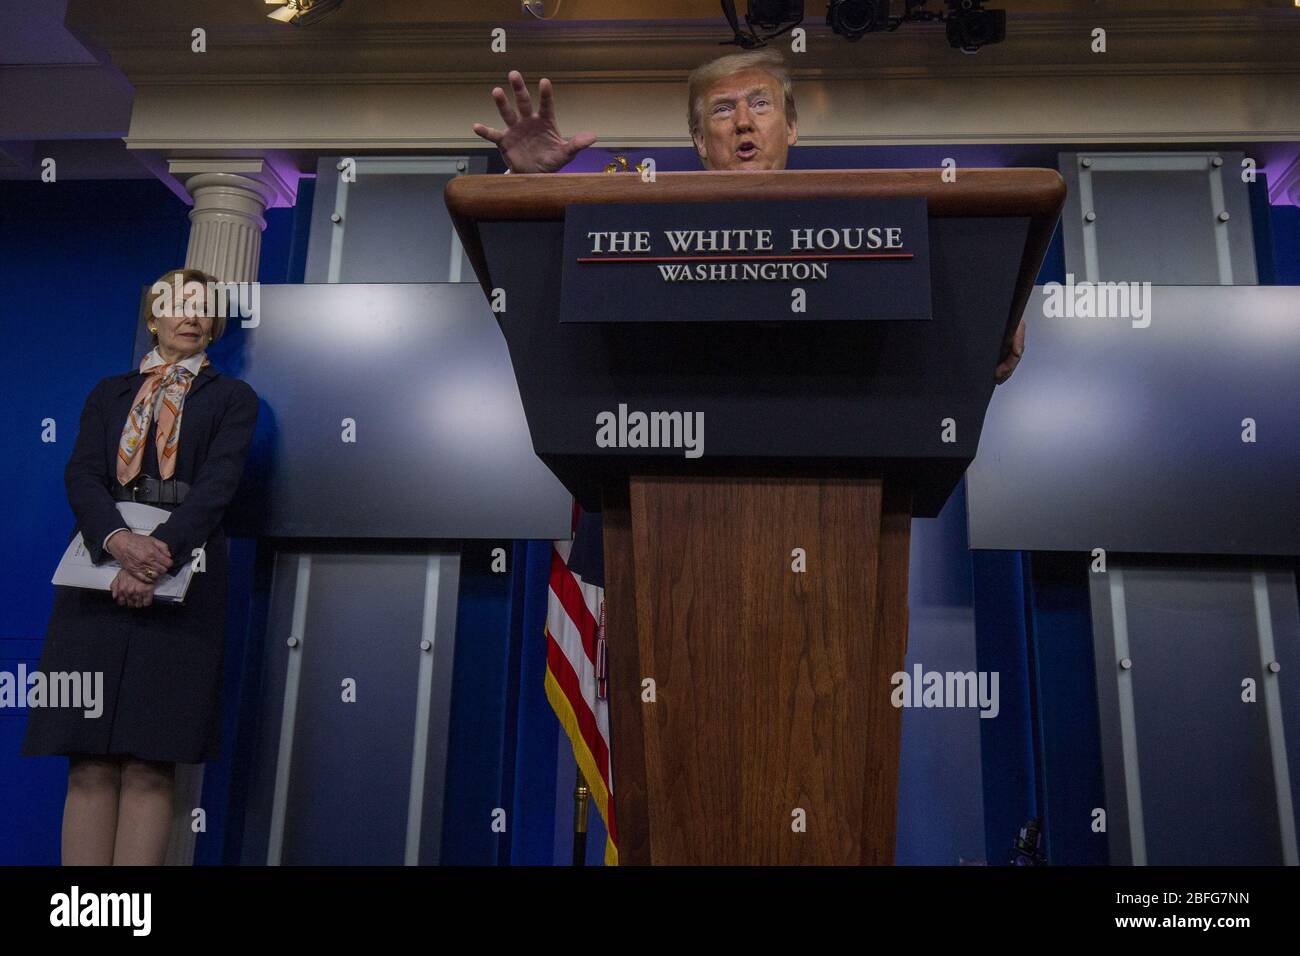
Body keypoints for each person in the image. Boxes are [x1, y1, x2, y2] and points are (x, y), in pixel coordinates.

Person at [472, 48, 1026, 383]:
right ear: (697, 139)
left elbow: (909, 341)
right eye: (722, 109)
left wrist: (984, 313)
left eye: (760, 104)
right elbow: (537, 309)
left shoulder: (865, 229)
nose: (743, 122)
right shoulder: (633, 221)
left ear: (791, 128)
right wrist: (528, 184)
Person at [22, 267, 260, 865]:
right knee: (88, 761)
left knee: (152, 763)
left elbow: (217, 486)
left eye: (203, 308)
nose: (191, 315)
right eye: (177, 305)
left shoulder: (233, 398)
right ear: (153, 318)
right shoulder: (109, 392)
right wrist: (117, 541)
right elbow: (82, 474)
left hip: (185, 586)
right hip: (93, 582)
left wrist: (156, 558)